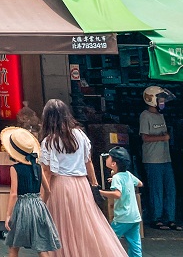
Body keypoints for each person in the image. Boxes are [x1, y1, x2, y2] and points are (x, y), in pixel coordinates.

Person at [38, 99, 127, 257]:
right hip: (81, 185)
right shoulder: (80, 135)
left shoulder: (49, 141)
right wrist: (94, 185)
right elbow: (89, 162)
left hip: (60, 186)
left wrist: (41, 200)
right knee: (86, 225)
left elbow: (47, 172)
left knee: (62, 227)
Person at [1, 127, 61, 257]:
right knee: (42, 246)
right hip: (38, 206)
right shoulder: (38, 167)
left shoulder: (15, 169)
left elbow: (14, 194)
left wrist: (8, 215)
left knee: (14, 246)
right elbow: (48, 190)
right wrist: (41, 204)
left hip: (22, 207)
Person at [139, 86, 182, 231]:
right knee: (156, 190)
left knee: (170, 189)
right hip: (152, 159)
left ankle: (170, 218)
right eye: (160, 100)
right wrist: (163, 137)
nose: (162, 102)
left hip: (165, 158)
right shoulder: (145, 115)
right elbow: (144, 137)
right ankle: (156, 218)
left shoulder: (160, 115)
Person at [100, 147, 144, 257]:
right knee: (135, 245)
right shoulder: (128, 174)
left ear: (114, 163)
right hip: (134, 217)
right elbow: (139, 183)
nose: (107, 159)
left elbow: (117, 194)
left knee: (109, 240)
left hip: (122, 217)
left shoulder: (117, 177)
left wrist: (101, 192)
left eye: (109, 157)